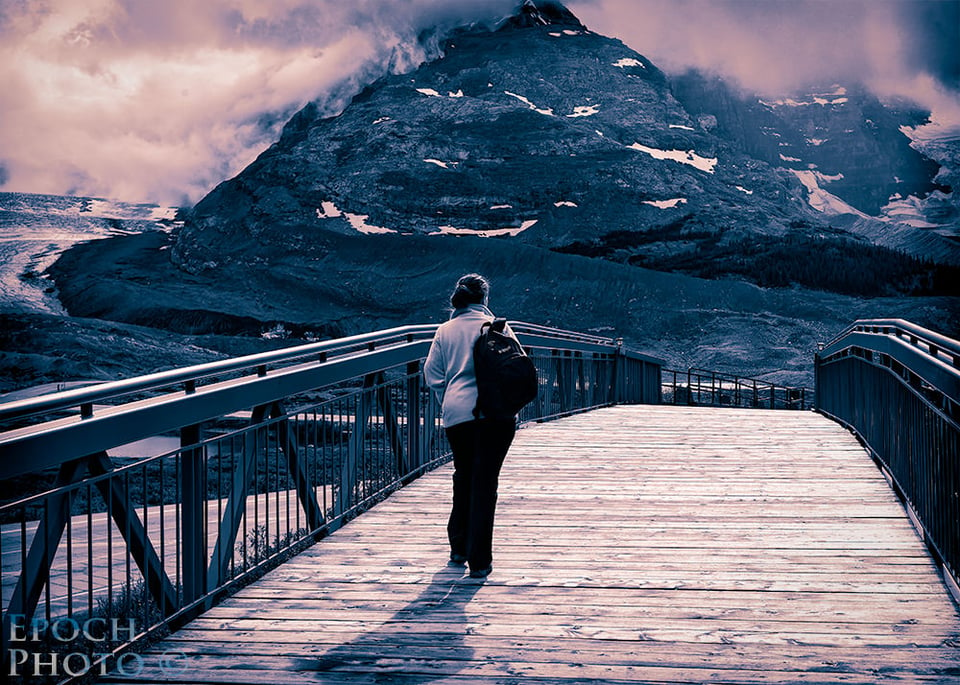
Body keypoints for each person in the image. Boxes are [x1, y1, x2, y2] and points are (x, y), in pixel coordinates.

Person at [423, 274, 518, 579]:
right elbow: (518, 368)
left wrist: (450, 396)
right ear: (485, 299)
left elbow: (432, 375)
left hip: (458, 415)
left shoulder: (445, 330)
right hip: (496, 417)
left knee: (463, 475)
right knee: (485, 483)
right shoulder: (498, 328)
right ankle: (480, 560)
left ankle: (458, 548)